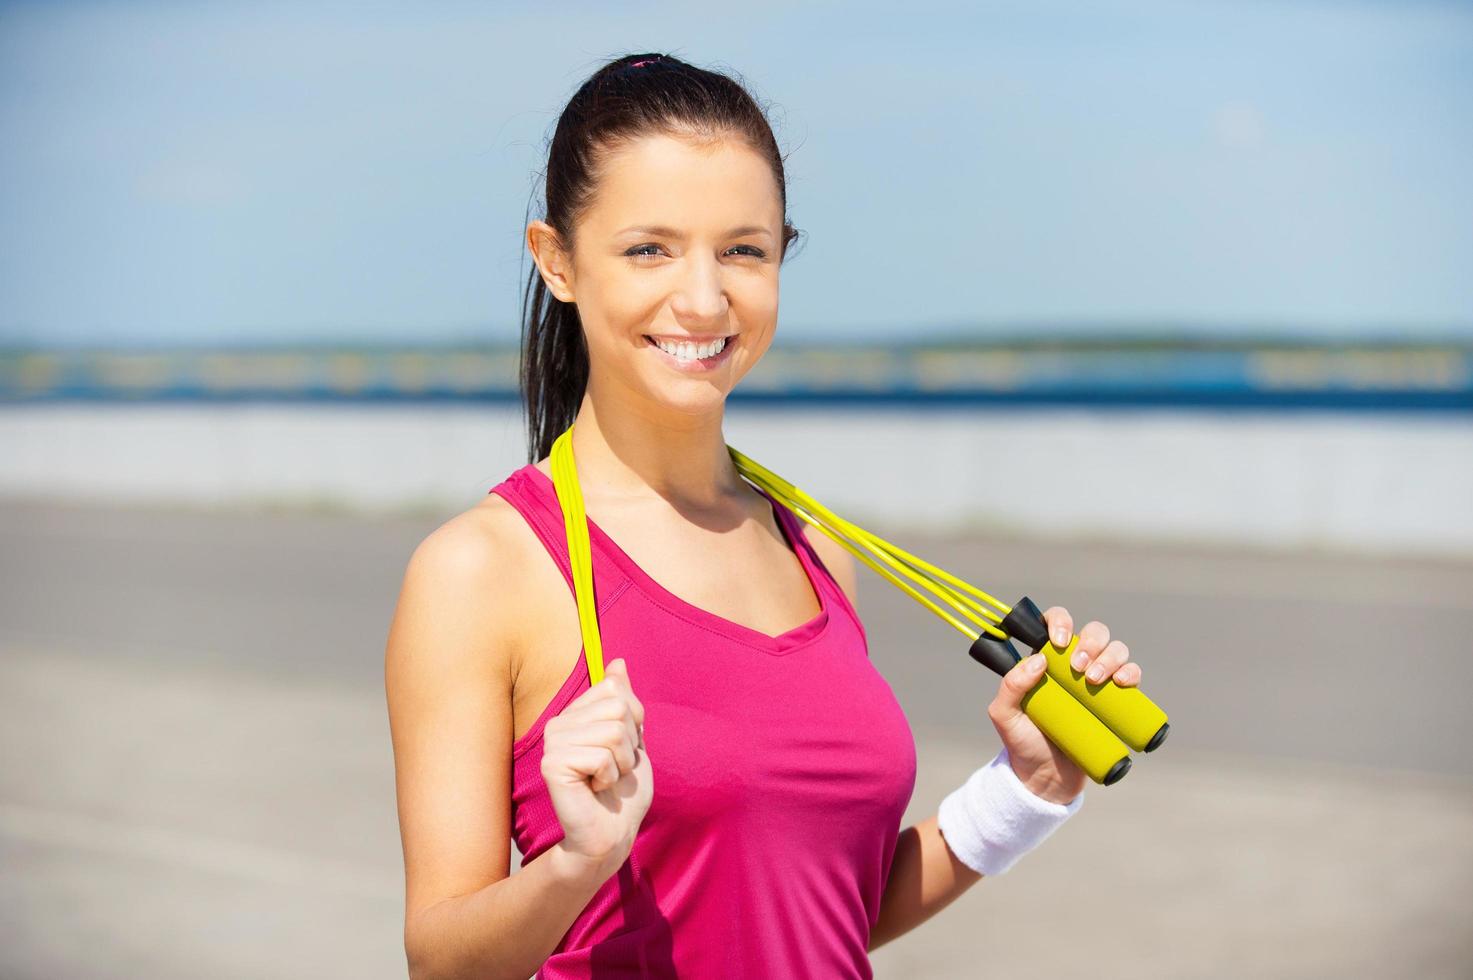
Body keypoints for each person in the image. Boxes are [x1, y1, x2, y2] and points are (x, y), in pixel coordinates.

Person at [383, 51, 1145, 979]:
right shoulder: (482, 570)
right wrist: (579, 864)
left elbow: (817, 909)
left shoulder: (818, 549)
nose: (703, 299)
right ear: (557, 261)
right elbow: (441, 962)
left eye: (742, 250)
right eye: (647, 249)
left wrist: (1025, 791)